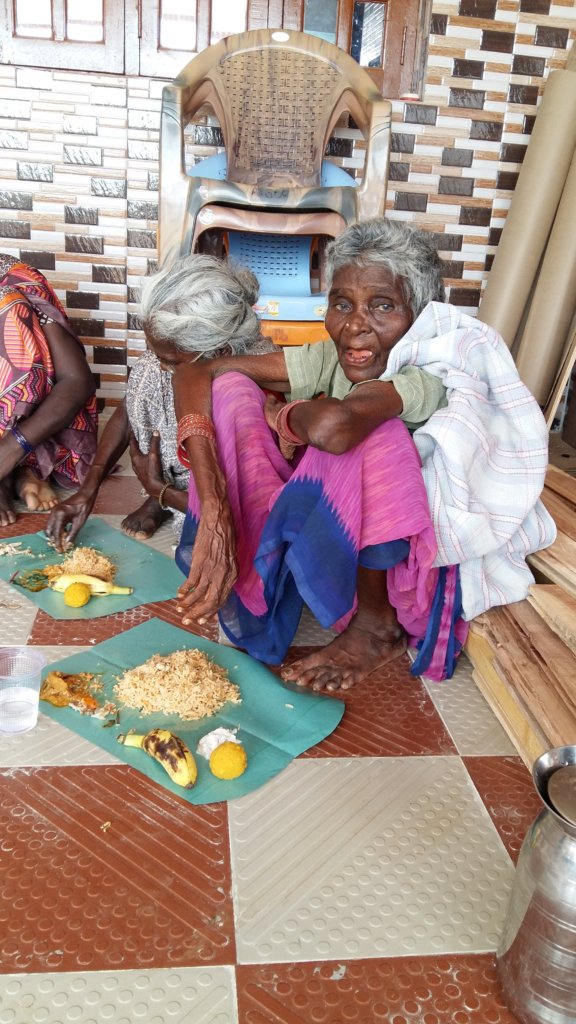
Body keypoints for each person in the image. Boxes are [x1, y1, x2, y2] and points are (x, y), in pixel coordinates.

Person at [166, 218, 556, 692]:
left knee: (378, 437)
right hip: (341, 530)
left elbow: (336, 428)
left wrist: (283, 414)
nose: (354, 326)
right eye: (341, 304)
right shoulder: (332, 356)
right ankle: (250, 571)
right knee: (231, 391)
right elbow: (198, 372)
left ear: (418, 316)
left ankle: (376, 628)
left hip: (405, 567)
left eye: (383, 306)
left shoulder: (422, 372)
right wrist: (214, 505)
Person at [45, 254, 275, 551]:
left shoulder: (253, 393)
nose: (159, 365)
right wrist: (88, 490)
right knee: (147, 371)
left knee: (211, 549)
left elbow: (237, 508)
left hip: (227, 502)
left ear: (221, 353)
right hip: (179, 476)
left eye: (170, 361)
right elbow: (128, 410)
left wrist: (160, 489)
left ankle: (172, 500)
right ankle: (164, 500)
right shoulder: (174, 362)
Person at [0, 254, 98, 528]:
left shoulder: (17, 279)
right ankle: (13, 477)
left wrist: (11, 447)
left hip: (32, 433)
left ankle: (18, 465)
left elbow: (77, 381)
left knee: (8, 304)